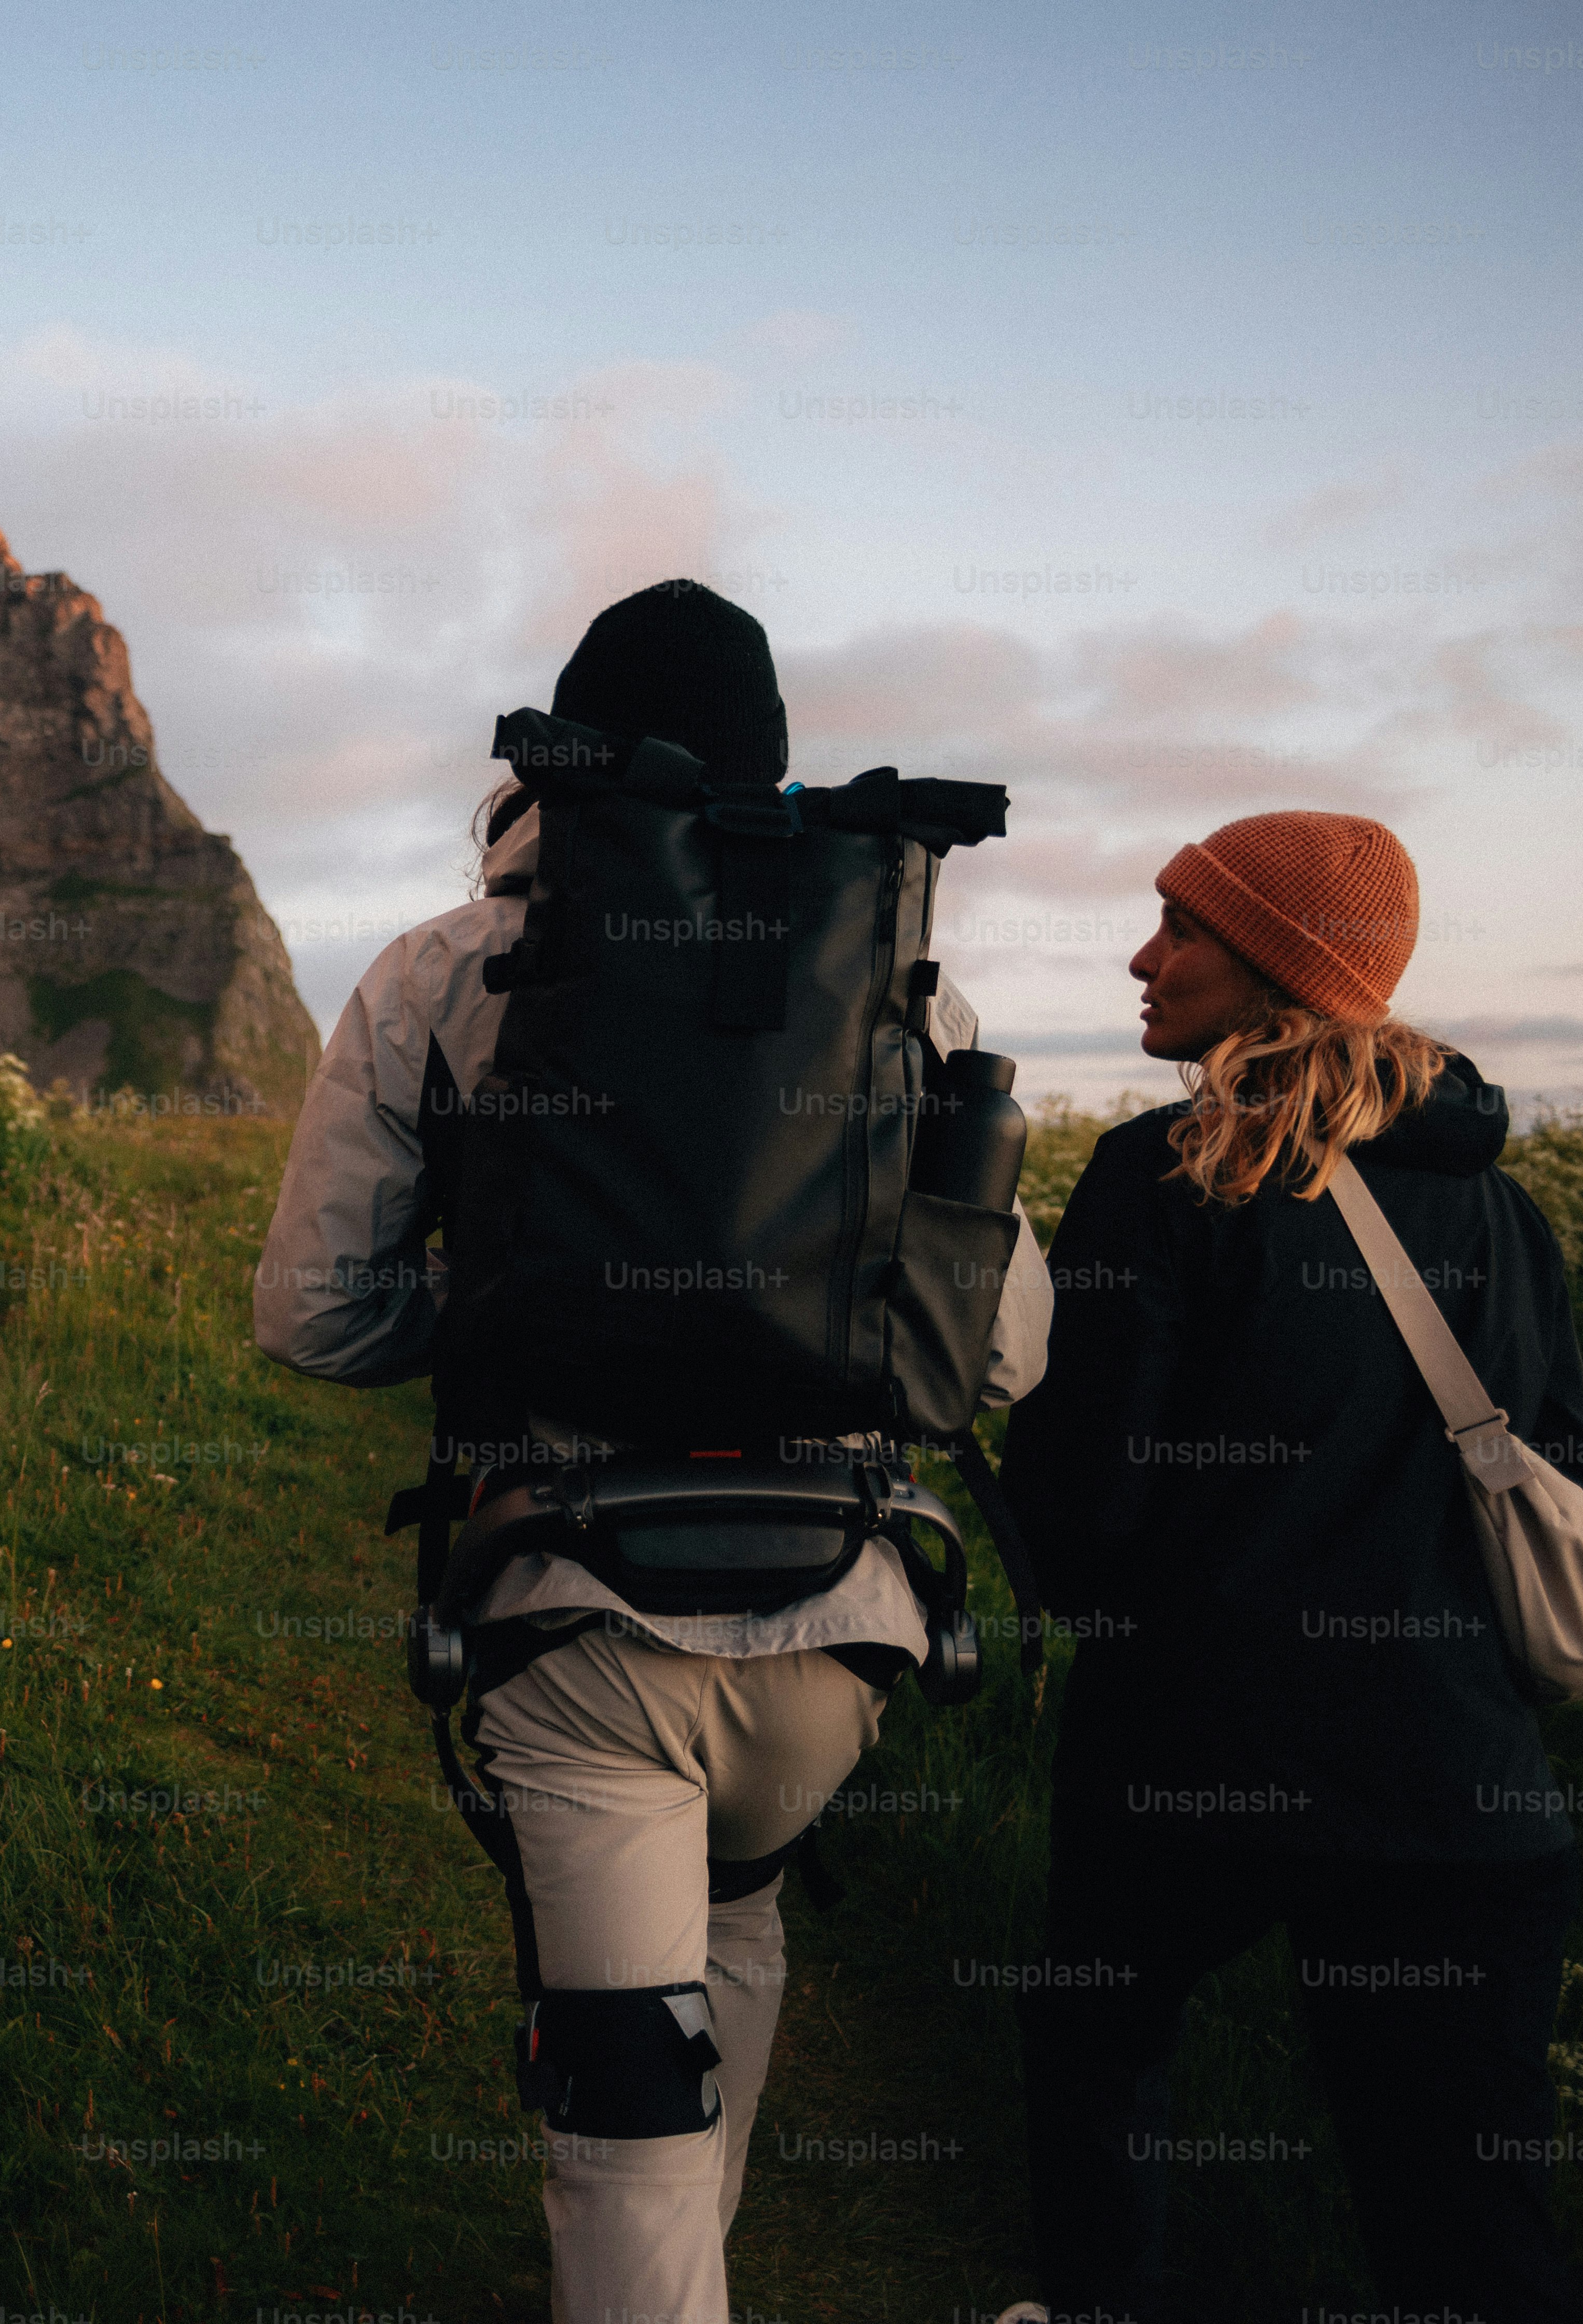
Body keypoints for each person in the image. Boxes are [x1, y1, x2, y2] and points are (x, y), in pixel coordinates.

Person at [254, 580, 1052, 2321]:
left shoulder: (447, 969)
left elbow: (311, 1315)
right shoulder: (901, 991)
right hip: (848, 1615)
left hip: (582, 1614)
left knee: (621, 2094)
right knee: (742, 1920)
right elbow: (997, 1350)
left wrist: (497, 1333)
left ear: (572, 757)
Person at [1006, 812, 1583, 2321]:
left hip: (1194, 1764)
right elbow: (1571, 1483)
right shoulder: (1506, 1214)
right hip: (1466, 1797)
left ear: (1278, 969)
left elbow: (1084, 1517)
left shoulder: (1171, 1174)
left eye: (1181, 929)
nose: (1143, 958)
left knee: (1097, 2071)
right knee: (1470, 2230)